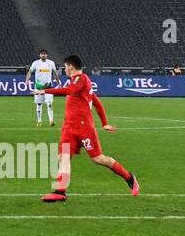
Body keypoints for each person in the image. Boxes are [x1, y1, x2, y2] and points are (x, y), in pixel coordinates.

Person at [40, 54, 139, 203]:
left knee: (98, 159)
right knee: (63, 156)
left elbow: (70, 91)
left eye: (65, 66)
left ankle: (129, 178)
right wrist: (104, 122)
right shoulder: (78, 83)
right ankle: (60, 191)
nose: (64, 69)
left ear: (71, 66)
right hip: (69, 128)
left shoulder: (81, 79)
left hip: (83, 127)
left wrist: (45, 91)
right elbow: (97, 103)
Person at [26, 48, 60, 127]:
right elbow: (30, 72)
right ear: (40, 55)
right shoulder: (36, 63)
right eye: (42, 54)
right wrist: (27, 79)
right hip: (38, 87)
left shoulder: (51, 63)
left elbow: (55, 74)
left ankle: (51, 121)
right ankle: (39, 120)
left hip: (49, 87)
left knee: (49, 104)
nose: (43, 55)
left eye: (44, 54)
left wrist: (58, 83)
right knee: (39, 104)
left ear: (46, 55)